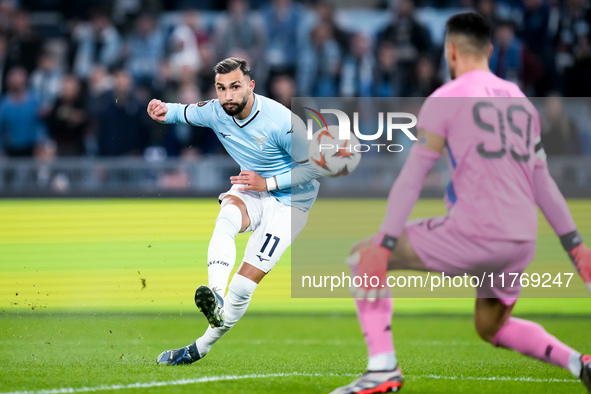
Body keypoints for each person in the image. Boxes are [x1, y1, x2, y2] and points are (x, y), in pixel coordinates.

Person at [331, 12, 591, 394]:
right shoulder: (521, 101)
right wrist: (576, 246)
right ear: (489, 49)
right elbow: (543, 182)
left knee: (362, 256)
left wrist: (385, 244)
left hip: (475, 232)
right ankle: (579, 363)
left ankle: (382, 369)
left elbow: (412, 178)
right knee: (492, 325)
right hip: (521, 240)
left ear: (450, 52)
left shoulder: (446, 98)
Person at [147, 57, 320, 365]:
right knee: (226, 217)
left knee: (242, 285)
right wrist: (161, 111)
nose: (227, 95)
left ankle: (199, 348)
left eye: (235, 87)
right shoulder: (216, 111)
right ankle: (215, 296)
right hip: (251, 186)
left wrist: (267, 183)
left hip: (291, 201)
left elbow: (314, 170)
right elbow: (181, 112)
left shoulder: (281, 121)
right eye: (221, 88)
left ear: (250, 86)